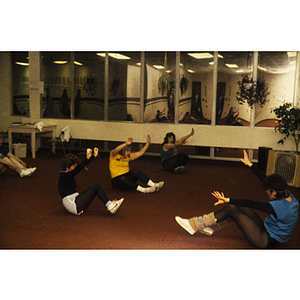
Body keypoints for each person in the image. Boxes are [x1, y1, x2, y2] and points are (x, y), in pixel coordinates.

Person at [175, 149, 299, 249]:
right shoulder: (290, 197)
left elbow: (251, 203)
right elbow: (265, 180)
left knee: (232, 209)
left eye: (268, 192)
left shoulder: (278, 207)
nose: (267, 194)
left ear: (274, 192)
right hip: (270, 230)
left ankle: (195, 225)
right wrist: (250, 165)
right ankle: (210, 226)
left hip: (265, 240)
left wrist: (228, 199)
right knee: (240, 207)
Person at [58, 148, 124, 215]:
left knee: (95, 189)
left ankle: (110, 204)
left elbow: (78, 168)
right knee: (96, 187)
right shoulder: (64, 176)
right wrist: (88, 158)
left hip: (74, 201)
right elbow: (79, 168)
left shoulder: (65, 175)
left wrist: (92, 157)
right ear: (67, 167)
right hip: (72, 204)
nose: (75, 168)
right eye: (73, 166)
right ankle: (110, 206)